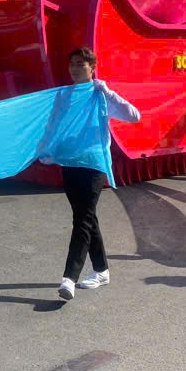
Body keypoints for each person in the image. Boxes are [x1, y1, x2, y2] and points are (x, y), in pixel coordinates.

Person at [52, 47, 140, 301]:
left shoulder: (100, 95)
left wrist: (108, 92)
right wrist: (48, 151)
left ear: (92, 68)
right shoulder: (65, 96)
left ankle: (69, 277)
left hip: (93, 164)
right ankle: (101, 270)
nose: (74, 68)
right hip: (70, 163)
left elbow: (134, 116)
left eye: (80, 63)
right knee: (86, 217)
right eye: (72, 64)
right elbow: (55, 127)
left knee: (82, 220)